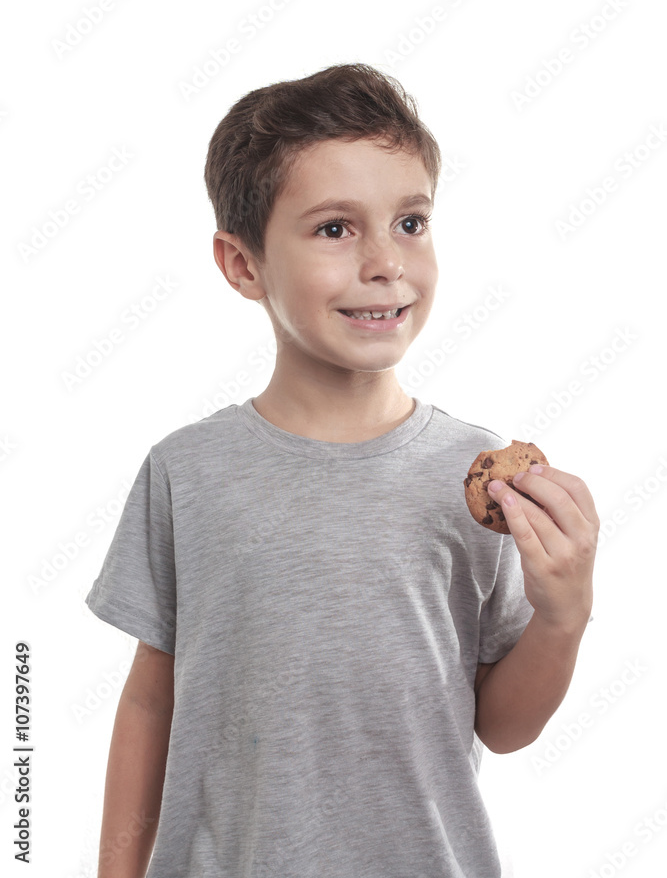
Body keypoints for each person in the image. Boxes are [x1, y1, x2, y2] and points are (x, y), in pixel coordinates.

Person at [85, 62, 599, 877]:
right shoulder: (187, 471)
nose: (385, 261)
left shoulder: (477, 479)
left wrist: (562, 616)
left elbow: (501, 727)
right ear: (243, 264)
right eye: (334, 229)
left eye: (410, 222)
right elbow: (152, 698)